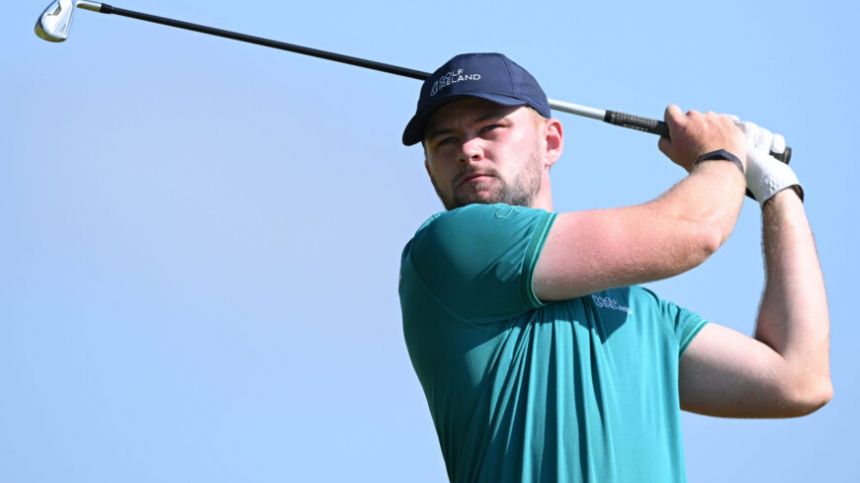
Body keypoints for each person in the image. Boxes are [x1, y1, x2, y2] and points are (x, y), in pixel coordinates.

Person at [398, 53, 832, 483]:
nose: (468, 150)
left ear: (550, 142)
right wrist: (722, 154)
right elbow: (696, 231)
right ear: (429, 167)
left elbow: (799, 379)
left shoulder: (641, 312)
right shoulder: (449, 246)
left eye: (491, 127)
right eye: (445, 141)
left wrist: (779, 188)